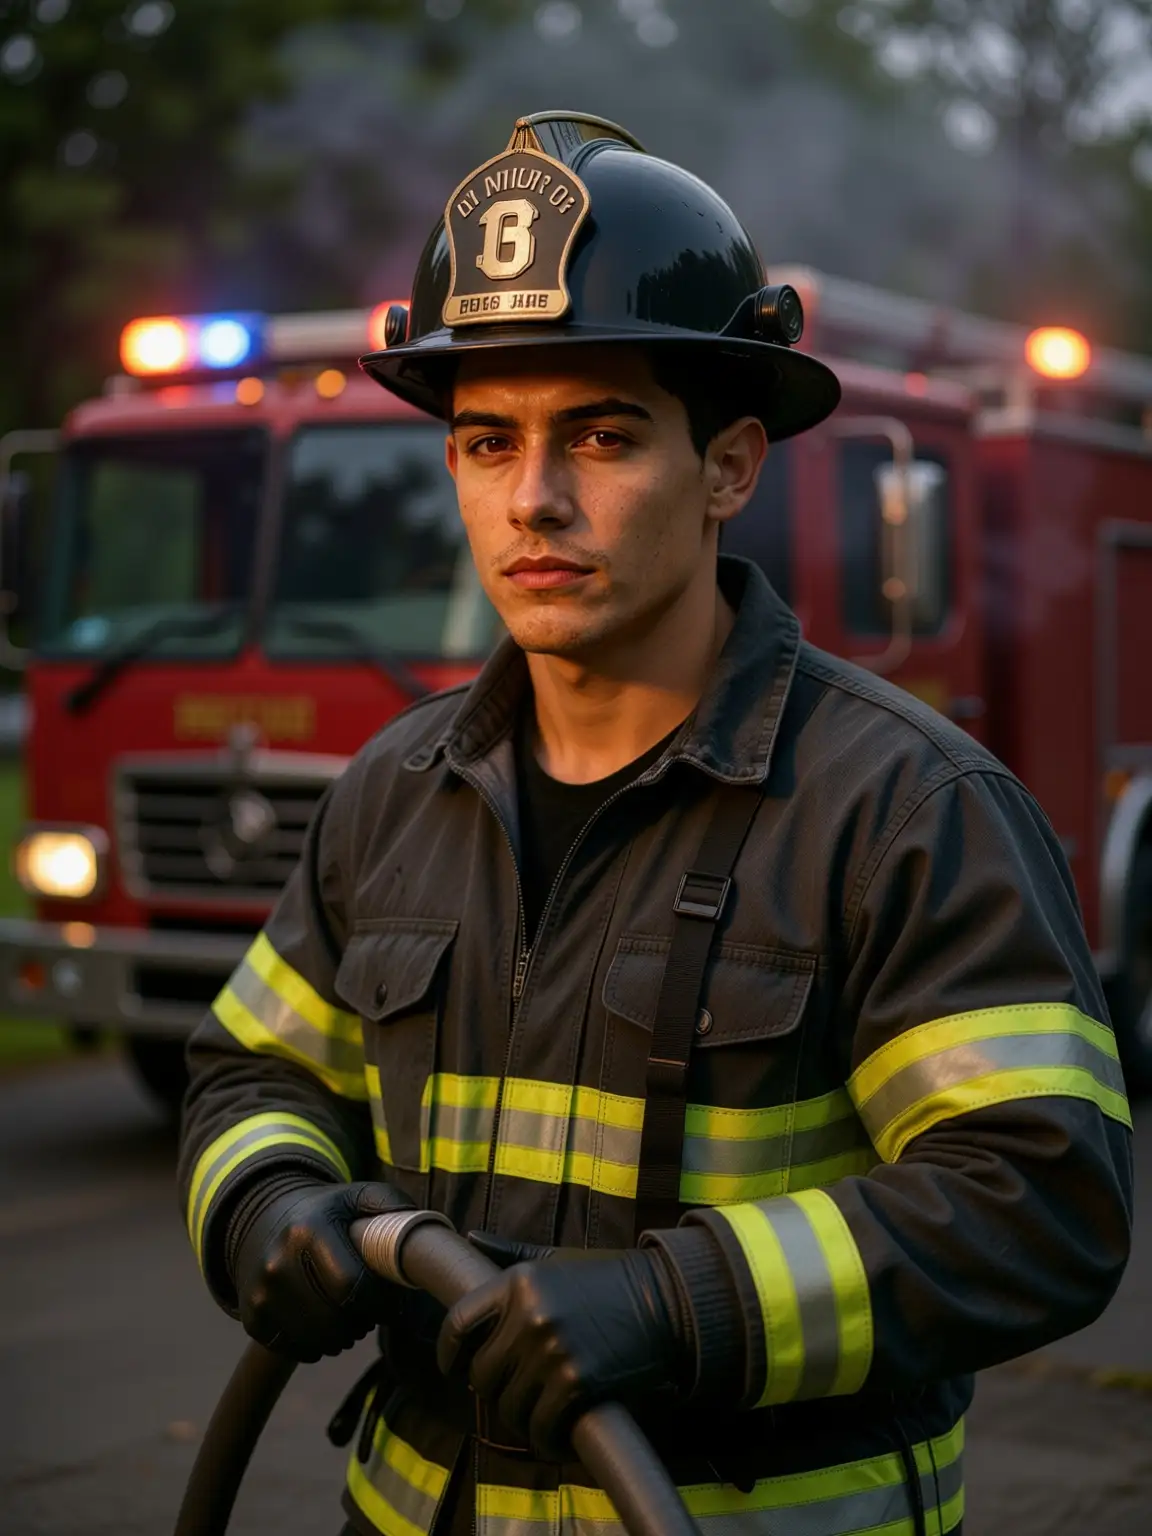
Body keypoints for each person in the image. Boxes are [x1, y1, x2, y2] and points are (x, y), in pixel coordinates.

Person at [178, 112, 1132, 1536]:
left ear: (732, 467)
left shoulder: (904, 809)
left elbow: (1035, 1203)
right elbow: (248, 1076)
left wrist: (678, 1308)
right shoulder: (392, 793)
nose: (534, 500)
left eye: (603, 436)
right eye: (486, 442)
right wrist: (269, 1208)